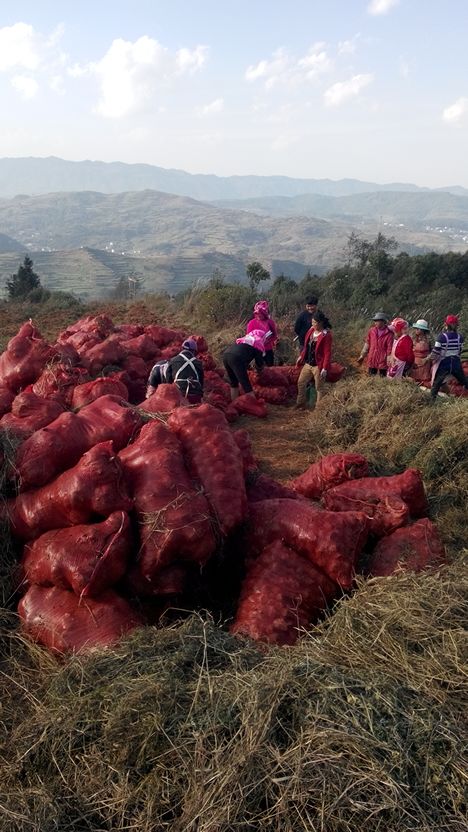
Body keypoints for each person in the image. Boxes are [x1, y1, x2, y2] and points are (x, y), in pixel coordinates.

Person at [146, 338, 204, 403]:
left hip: (180, 393)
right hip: (196, 395)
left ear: (182, 349)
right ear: (194, 351)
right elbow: (201, 382)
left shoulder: (173, 360)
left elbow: (168, 379)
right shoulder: (198, 363)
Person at [295, 310, 332, 409]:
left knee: (319, 387)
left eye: (314, 322)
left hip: (318, 365)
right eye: (312, 322)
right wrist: (301, 356)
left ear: (320, 323)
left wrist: (324, 368)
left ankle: (318, 409)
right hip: (308, 364)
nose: (313, 324)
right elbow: (306, 346)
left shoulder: (326, 335)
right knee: (301, 382)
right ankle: (300, 403)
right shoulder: (311, 331)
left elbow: (327, 353)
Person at [428, 314, 468, 399]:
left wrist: (428, 359)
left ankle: (432, 399)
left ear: (446, 325)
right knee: (463, 380)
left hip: (445, 362)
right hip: (456, 362)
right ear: (456, 326)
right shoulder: (460, 337)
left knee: (437, 382)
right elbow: (460, 350)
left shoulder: (441, 337)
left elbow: (436, 352)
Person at [222, 329, 269, 400]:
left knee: (234, 382)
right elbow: (259, 364)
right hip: (236, 359)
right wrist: (259, 371)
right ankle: (254, 407)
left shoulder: (244, 340)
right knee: (246, 385)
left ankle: (234, 405)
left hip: (226, 355)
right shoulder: (258, 344)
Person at [246, 300, 278, 366]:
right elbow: (248, 337)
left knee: (270, 367)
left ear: (264, 313)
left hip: (268, 348)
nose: (259, 315)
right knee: (259, 369)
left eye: (260, 313)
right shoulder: (251, 323)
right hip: (257, 350)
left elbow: (274, 335)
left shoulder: (270, 322)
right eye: (257, 313)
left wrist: (269, 341)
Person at [410, 319, 432, 383]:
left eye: (418, 329)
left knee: (424, 381)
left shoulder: (429, 339)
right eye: (416, 328)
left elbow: (433, 351)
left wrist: (426, 359)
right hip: (414, 362)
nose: (416, 330)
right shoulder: (412, 337)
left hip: (425, 362)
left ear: (423, 330)